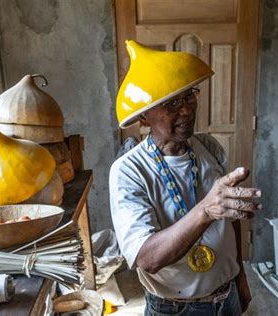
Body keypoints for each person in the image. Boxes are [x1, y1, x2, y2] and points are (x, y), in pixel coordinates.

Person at [110, 40, 262, 315]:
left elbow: (228, 220)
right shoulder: (129, 170)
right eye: (172, 103)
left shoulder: (209, 148)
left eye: (189, 96)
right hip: (175, 309)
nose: (186, 109)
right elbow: (147, 257)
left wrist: (240, 276)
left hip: (226, 296)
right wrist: (206, 209)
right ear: (144, 117)